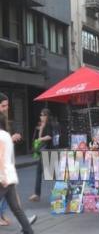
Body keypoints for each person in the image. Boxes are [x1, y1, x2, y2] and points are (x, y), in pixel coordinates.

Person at [0, 92, 37, 227]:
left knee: (14, 200)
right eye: (3, 106)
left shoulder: (4, 121)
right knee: (13, 199)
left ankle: (25, 225)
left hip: (6, 168)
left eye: (7, 105)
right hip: (3, 170)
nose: (6, 108)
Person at [29, 108, 53, 202]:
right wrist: (41, 128)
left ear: (47, 116)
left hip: (47, 151)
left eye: (42, 115)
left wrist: (41, 139)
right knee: (39, 172)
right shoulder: (43, 125)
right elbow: (40, 137)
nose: (41, 117)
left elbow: (49, 136)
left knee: (50, 173)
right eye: (40, 115)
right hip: (43, 151)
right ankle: (37, 194)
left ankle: (59, 192)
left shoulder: (49, 124)